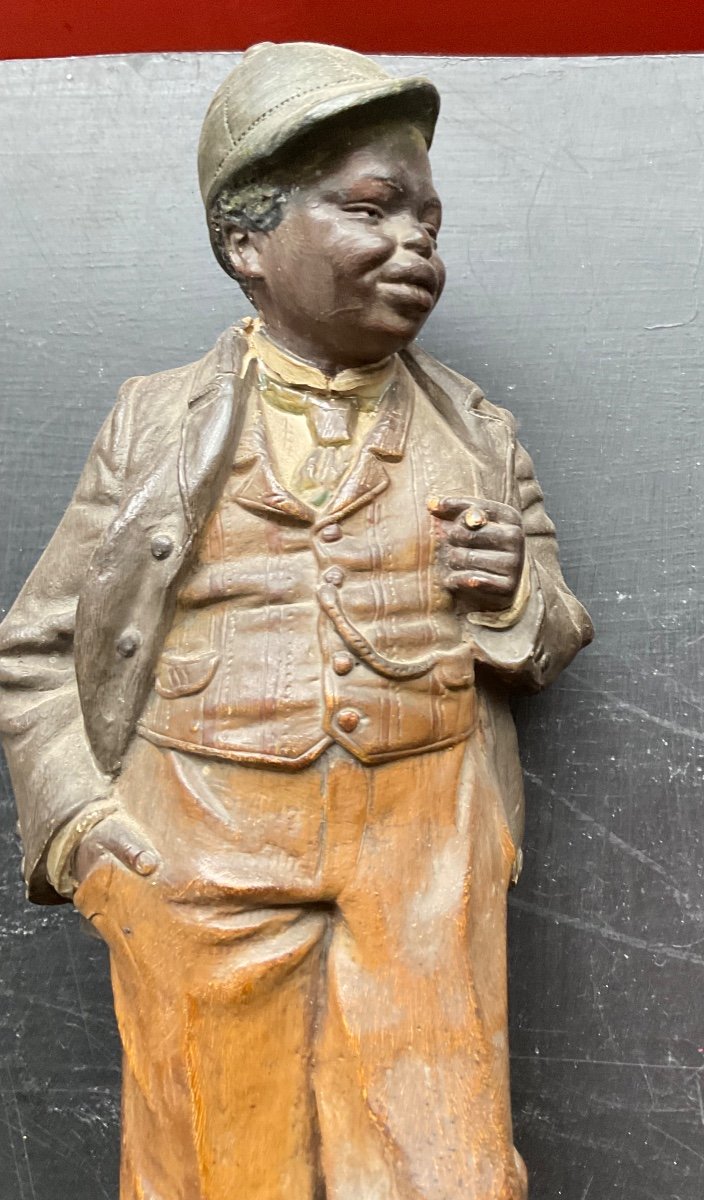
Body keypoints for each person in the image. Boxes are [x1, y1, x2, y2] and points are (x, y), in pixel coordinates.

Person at [0, 41, 593, 1200]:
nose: (414, 242)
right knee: (217, 1164)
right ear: (246, 243)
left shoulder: (478, 429)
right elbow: (36, 647)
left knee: (442, 1164)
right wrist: (83, 832)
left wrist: (515, 592)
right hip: (198, 844)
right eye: (371, 208)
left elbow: (552, 626)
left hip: (422, 854)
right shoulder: (150, 422)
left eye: (428, 218)